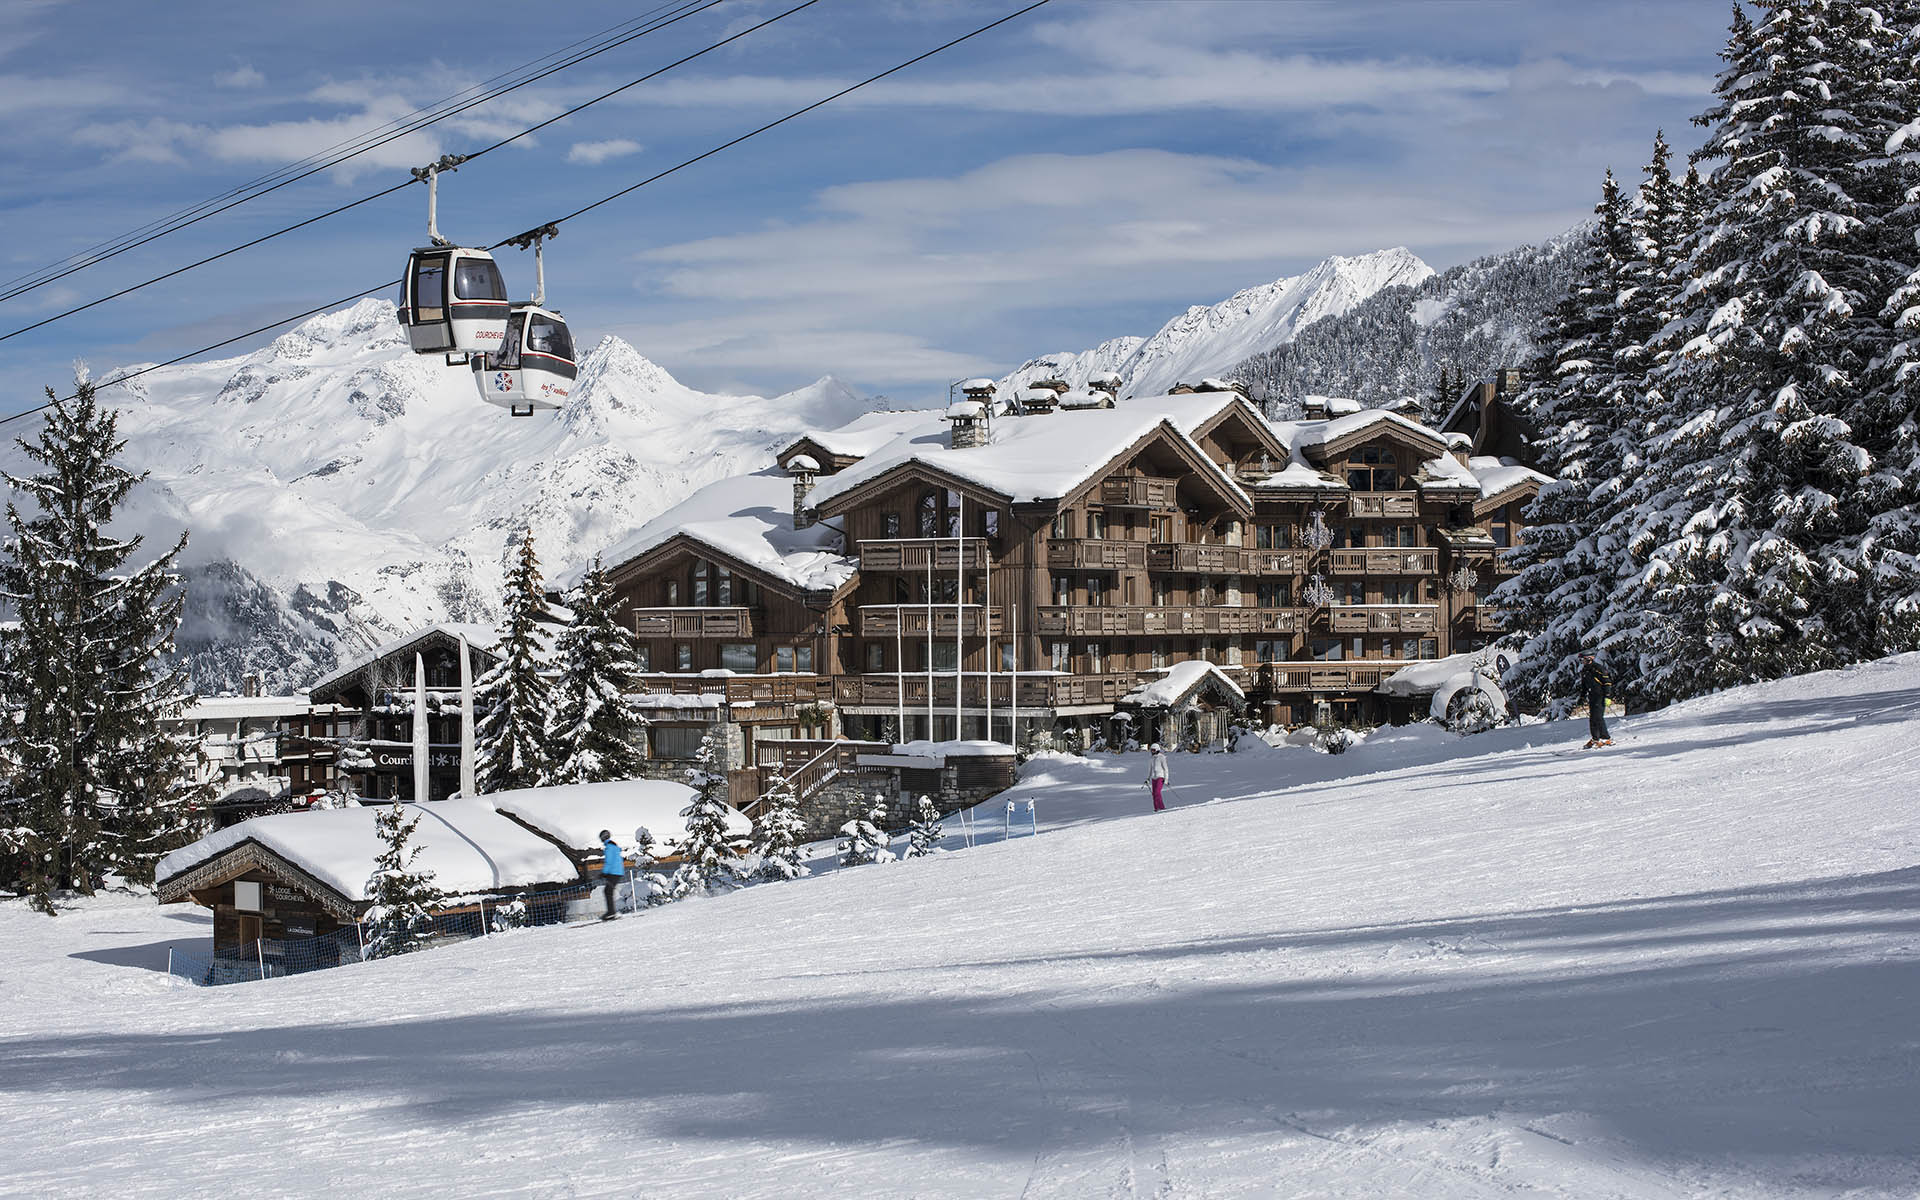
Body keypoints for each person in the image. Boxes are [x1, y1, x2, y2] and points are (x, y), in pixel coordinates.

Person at [1580, 650, 1613, 748]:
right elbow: (1584, 685)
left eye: (1583, 660)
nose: (1582, 662)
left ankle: (1606, 738)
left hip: (1600, 696)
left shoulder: (1598, 668)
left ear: (1590, 659)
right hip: (1592, 696)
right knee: (1593, 718)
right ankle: (1595, 739)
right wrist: (1582, 696)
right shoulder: (1585, 670)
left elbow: (1607, 682)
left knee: (1598, 717)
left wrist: (1607, 696)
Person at [598, 829, 626, 920]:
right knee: (608, 891)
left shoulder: (609, 847)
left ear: (603, 838)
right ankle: (611, 912)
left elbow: (609, 862)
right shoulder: (614, 846)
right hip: (617, 872)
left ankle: (611, 912)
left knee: (607, 891)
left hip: (613, 873)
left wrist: (604, 873)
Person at [1146, 744, 1170, 811]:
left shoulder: (1162, 757)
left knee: (1157, 792)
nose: (1152, 752)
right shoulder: (1151, 758)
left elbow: (1166, 769)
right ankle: (1156, 808)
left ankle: (1162, 807)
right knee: (1154, 794)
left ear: (1157, 750)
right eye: (1151, 750)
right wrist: (1148, 778)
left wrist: (1166, 779)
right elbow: (1150, 769)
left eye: (1153, 750)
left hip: (1160, 777)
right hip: (1154, 778)